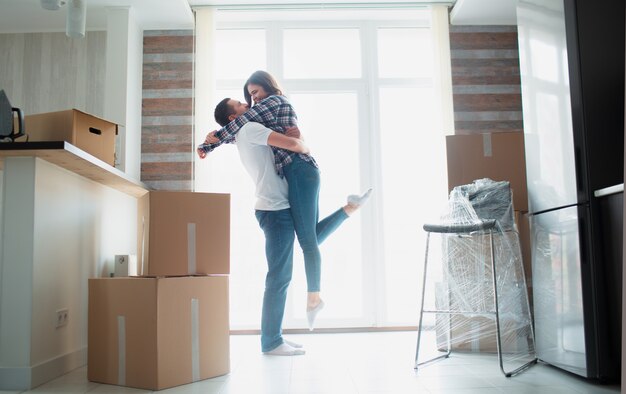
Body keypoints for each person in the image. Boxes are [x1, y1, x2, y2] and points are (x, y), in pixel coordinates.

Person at [199, 71, 371, 329]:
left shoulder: (274, 102)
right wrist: (215, 140)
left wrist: (209, 145)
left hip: (299, 169)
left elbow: (242, 126)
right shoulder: (253, 124)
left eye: (255, 93)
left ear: (268, 87)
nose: (251, 101)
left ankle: (314, 299)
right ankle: (350, 208)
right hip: (297, 173)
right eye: (247, 98)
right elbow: (241, 134)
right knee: (310, 237)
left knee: (308, 243)